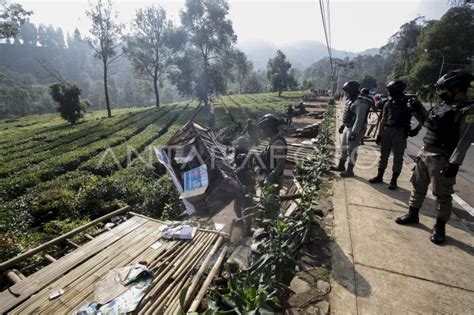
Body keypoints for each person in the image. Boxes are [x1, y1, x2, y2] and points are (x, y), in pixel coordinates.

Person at [395, 70, 474, 244]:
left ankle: (440, 226)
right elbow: (429, 123)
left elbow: (465, 140)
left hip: (442, 156)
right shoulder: (443, 105)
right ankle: (413, 214)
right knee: (417, 185)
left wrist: (454, 163)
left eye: (444, 89)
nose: (441, 92)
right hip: (425, 151)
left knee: (442, 194)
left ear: (456, 88)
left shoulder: (467, 110)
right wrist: (417, 110)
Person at [369, 80, 425, 190]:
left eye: (391, 91)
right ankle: (379, 176)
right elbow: (384, 119)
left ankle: (393, 180)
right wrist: (379, 134)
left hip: (400, 132)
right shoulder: (389, 102)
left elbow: (422, 118)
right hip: (387, 131)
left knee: (398, 158)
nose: (389, 93)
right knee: (383, 155)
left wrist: (417, 129)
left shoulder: (409, 103)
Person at [333, 81, 371, 177]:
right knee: (344, 148)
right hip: (348, 126)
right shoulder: (351, 100)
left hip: (355, 129)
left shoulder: (360, 102)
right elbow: (348, 114)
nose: (346, 93)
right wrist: (343, 125)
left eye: (348, 91)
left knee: (352, 150)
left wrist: (354, 132)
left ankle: (350, 170)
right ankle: (341, 166)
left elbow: (360, 119)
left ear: (353, 90)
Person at [257, 114, 287, 186]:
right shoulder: (272, 141)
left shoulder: (278, 143)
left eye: (264, 129)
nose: (263, 132)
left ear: (270, 128)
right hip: (269, 177)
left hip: (273, 182)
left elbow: (280, 164)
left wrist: (269, 178)